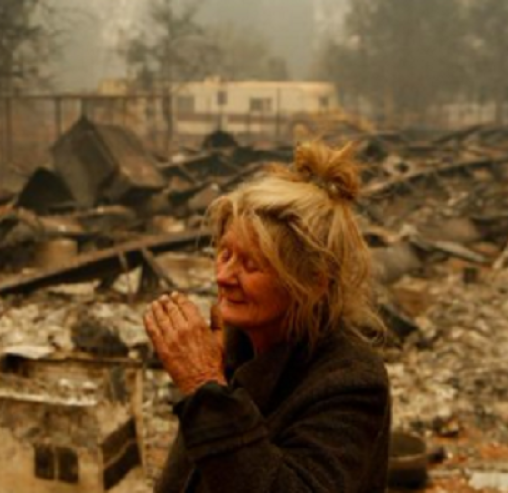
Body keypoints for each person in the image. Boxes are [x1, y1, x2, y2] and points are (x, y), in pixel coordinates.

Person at [143, 140, 391, 493]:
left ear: (312, 283)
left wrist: (205, 389)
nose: (223, 276)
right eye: (224, 253)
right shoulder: (236, 345)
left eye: (250, 264)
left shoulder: (349, 381)